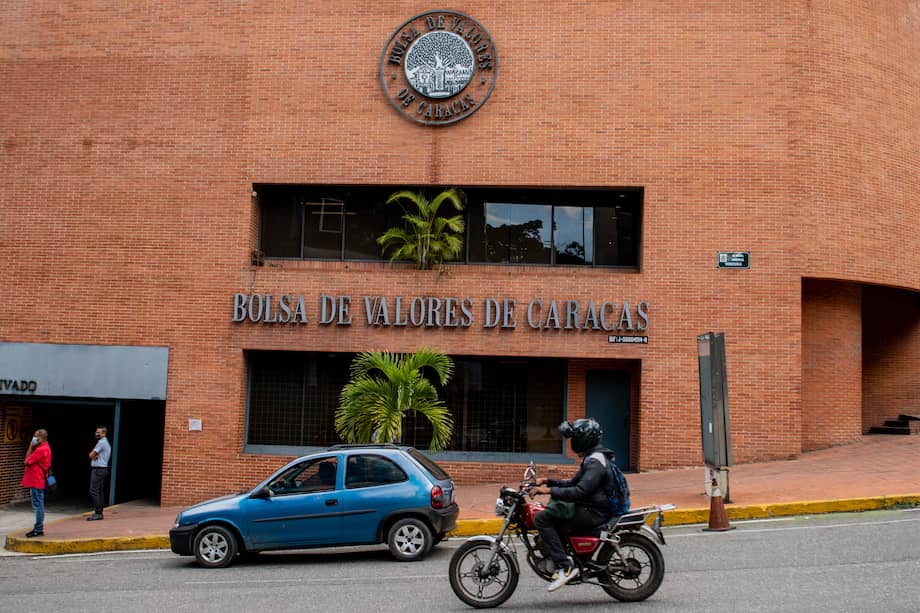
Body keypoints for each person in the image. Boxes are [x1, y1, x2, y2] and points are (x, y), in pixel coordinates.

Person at [529, 418, 614, 592]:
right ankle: (565, 556)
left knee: (543, 518)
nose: (572, 442)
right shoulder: (593, 457)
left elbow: (579, 491)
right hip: (591, 506)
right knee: (552, 513)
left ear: (585, 439)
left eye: (575, 438)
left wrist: (547, 491)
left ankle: (565, 566)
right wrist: (547, 481)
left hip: (595, 511)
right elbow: (573, 483)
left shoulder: (595, 462)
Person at [22, 429, 52, 538]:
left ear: (40, 438)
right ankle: (38, 528)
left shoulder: (40, 450)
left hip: (36, 480)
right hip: (38, 480)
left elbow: (26, 461)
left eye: (35, 436)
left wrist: (31, 446)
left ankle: (38, 529)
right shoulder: (46, 447)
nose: (34, 438)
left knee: (38, 506)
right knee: (39, 504)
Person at [87, 426, 111, 521]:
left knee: (93, 491)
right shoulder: (105, 442)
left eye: (98, 432)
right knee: (99, 491)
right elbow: (95, 455)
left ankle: (98, 513)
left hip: (98, 470)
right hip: (103, 469)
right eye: (96, 432)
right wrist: (95, 456)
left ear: (104, 433)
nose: (96, 434)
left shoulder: (101, 442)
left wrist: (93, 455)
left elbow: (91, 455)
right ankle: (99, 512)